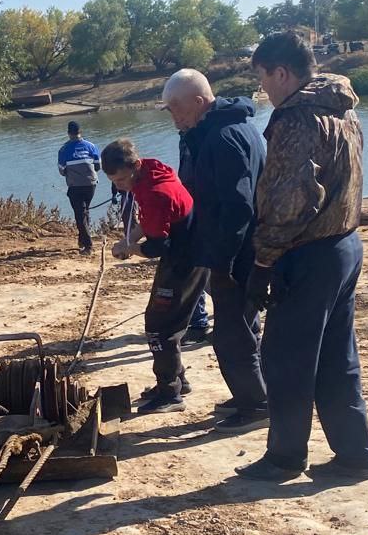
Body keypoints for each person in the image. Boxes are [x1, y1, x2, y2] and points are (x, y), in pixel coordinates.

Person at [237, 30, 368, 482]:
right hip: (344, 245)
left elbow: (288, 200)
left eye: (263, 79)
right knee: (339, 356)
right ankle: (356, 455)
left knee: (285, 358)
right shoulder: (344, 109)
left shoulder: (297, 118)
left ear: (282, 72)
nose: (264, 90)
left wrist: (262, 262)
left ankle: (284, 458)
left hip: (308, 251)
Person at [160, 69, 269, 434]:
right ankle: (252, 395)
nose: (174, 115)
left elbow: (238, 207)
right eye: (169, 109)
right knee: (245, 326)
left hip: (236, 254)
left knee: (230, 335)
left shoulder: (223, 138)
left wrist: (222, 261)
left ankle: (255, 404)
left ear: (199, 101)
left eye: (176, 107)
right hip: (234, 250)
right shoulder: (215, 130)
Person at [104, 138, 208, 414]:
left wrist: (130, 249)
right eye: (114, 182)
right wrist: (128, 240)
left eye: (122, 180)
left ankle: (170, 393)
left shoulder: (156, 192)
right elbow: (149, 226)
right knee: (163, 321)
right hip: (188, 254)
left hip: (184, 261)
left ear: (135, 166)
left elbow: (156, 246)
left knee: (160, 327)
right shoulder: (152, 171)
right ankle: (177, 381)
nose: (119, 186)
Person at [174, 128, 212, 345]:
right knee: (198, 270)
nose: (175, 119)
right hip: (191, 210)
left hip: (200, 213)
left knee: (197, 270)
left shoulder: (202, 138)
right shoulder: (186, 137)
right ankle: (198, 321)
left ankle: (198, 323)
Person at [58, 120, 101, 255]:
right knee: (84, 211)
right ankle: (82, 240)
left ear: (68, 133)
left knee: (80, 214)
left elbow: (62, 171)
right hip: (91, 185)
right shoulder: (91, 146)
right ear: (80, 132)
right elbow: (98, 166)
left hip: (75, 186)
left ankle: (88, 246)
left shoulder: (64, 149)